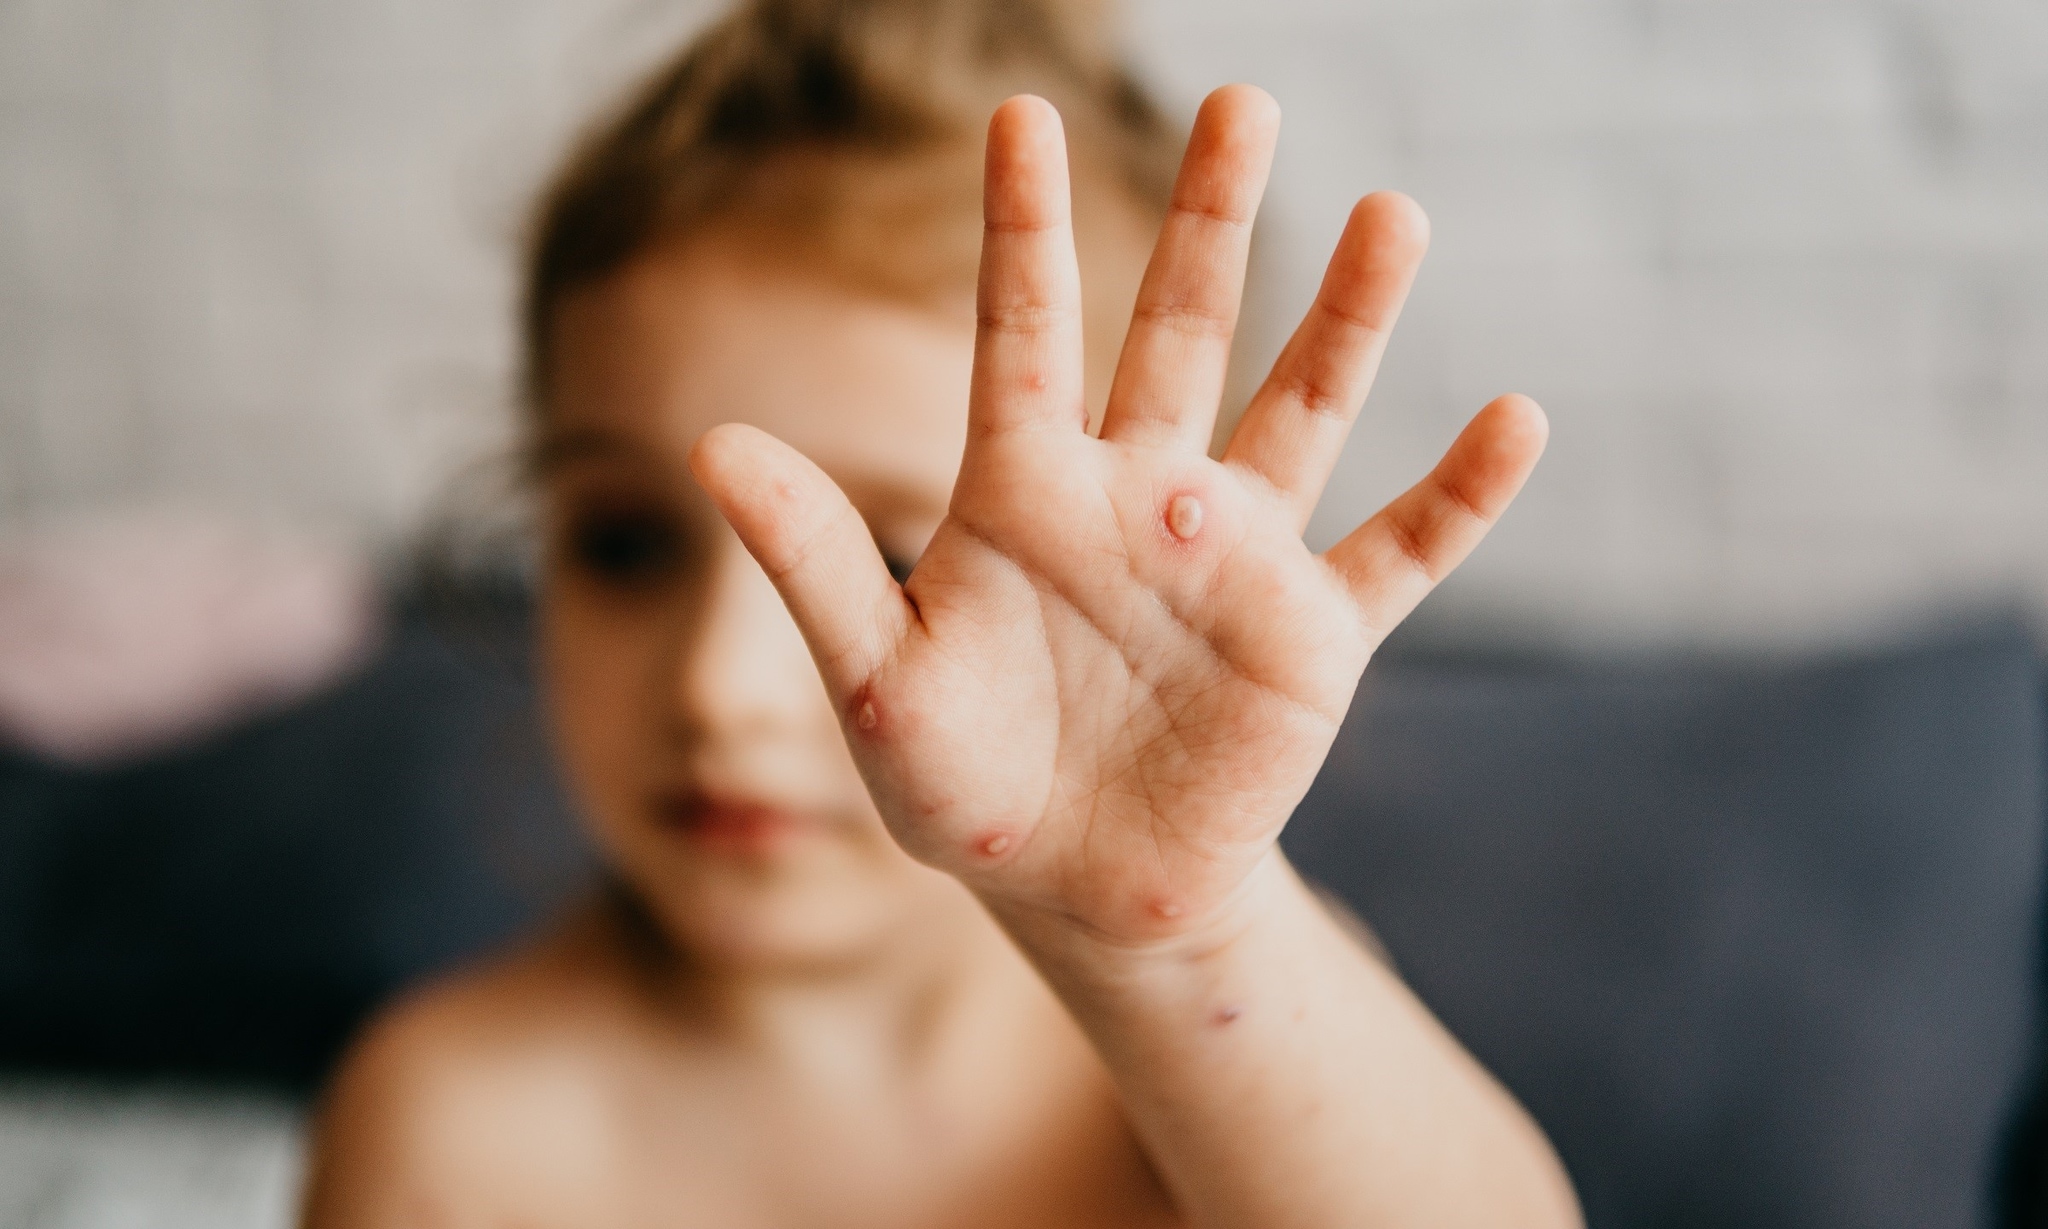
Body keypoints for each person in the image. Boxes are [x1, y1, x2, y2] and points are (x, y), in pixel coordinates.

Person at [302, 1, 1582, 1224]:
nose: (717, 687)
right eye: (626, 543)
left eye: (900, 557)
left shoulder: (1223, 1015)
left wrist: (1178, 945)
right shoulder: (448, 1121)